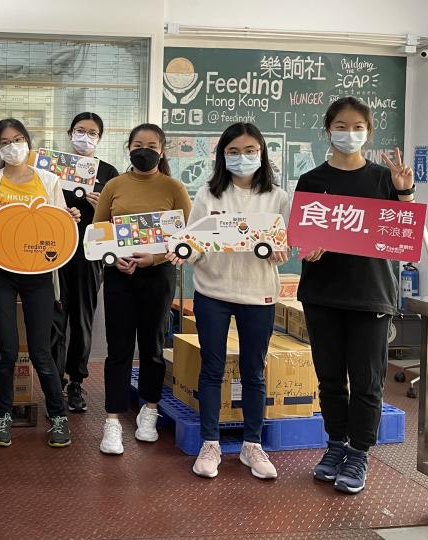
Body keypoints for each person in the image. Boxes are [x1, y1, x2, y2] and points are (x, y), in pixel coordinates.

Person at [297, 96, 416, 494]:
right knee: (330, 379)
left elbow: (404, 234)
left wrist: (405, 193)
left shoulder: (386, 178)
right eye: (341, 126)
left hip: (371, 294)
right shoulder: (312, 180)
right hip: (323, 294)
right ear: (328, 130)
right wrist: (307, 247)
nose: (349, 134)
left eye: (357, 126)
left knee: (367, 381)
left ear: (369, 131)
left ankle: (359, 452)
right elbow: (303, 238)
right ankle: (335, 446)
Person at [165, 123, 290, 479]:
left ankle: (253, 445)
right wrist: (182, 252)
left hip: (258, 294)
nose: (242, 158)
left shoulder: (278, 197)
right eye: (234, 151)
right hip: (212, 292)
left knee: (254, 370)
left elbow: (287, 242)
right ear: (222, 155)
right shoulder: (208, 193)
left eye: (250, 150)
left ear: (262, 153)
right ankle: (210, 443)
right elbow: (194, 240)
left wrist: (280, 252)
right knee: (212, 368)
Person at [0, 118, 80, 448]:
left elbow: (59, 228)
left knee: (40, 350)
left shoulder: (49, 181)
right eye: (5, 142)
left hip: (38, 274)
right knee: (5, 350)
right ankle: (3, 415)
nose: (13, 146)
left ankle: (58, 415)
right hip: (0, 273)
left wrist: (69, 220)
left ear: (28, 142)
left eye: (18, 139)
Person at [94, 123, 192, 455]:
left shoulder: (174, 188)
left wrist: (154, 258)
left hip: (158, 275)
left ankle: (149, 411)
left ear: (162, 151)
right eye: (138, 144)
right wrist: (113, 259)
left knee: (151, 346)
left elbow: (185, 241)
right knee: (118, 349)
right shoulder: (114, 185)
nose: (144, 150)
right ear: (129, 148)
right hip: (120, 275)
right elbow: (98, 232)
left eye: (151, 145)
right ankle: (112, 421)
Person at [51, 112, 120, 413]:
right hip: (53, 250)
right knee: (55, 316)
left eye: (92, 133)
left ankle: (76, 380)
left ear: (100, 139)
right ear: (70, 133)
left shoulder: (109, 172)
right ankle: (54, 381)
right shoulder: (53, 168)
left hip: (89, 253)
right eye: (80, 130)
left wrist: (102, 204)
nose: (86, 137)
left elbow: (119, 218)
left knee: (81, 317)